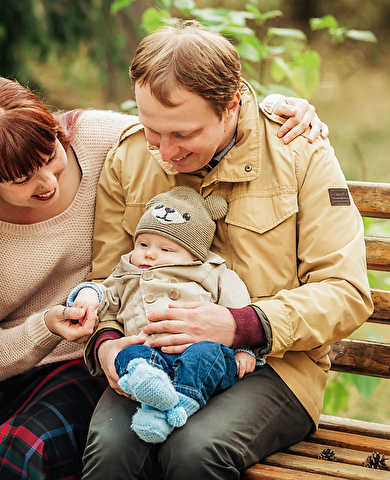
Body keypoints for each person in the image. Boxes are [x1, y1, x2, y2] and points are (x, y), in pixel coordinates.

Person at [0, 75, 327, 479]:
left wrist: (270, 111)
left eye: (51, 157)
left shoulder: (95, 138)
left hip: (90, 359)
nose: (47, 181)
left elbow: (189, 126)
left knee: (34, 449)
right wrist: (46, 326)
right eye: (20, 179)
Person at [82, 21, 374, 480]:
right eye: (153, 131)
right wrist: (103, 344)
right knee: (111, 452)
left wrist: (240, 324)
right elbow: (105, 283)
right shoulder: (131, 157)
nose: (165, 152)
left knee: (195, 452)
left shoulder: (301, 152)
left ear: (233, 103)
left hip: (273, 368)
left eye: (184, 135)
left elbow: (345, 291)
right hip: (148, 356)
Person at [67, 186, 263, 444]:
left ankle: (174, 404)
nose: (149, 253)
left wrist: (245, 350)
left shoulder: (210, 272)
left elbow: (238, 310)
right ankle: (153, 395)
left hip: (197, 353)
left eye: (166, 249)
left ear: (193, 255)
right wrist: (88, 296)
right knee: (126, 355)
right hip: (150, 354)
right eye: (143, 244)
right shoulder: (127, 273)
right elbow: (105, 294)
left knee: (209, 354)